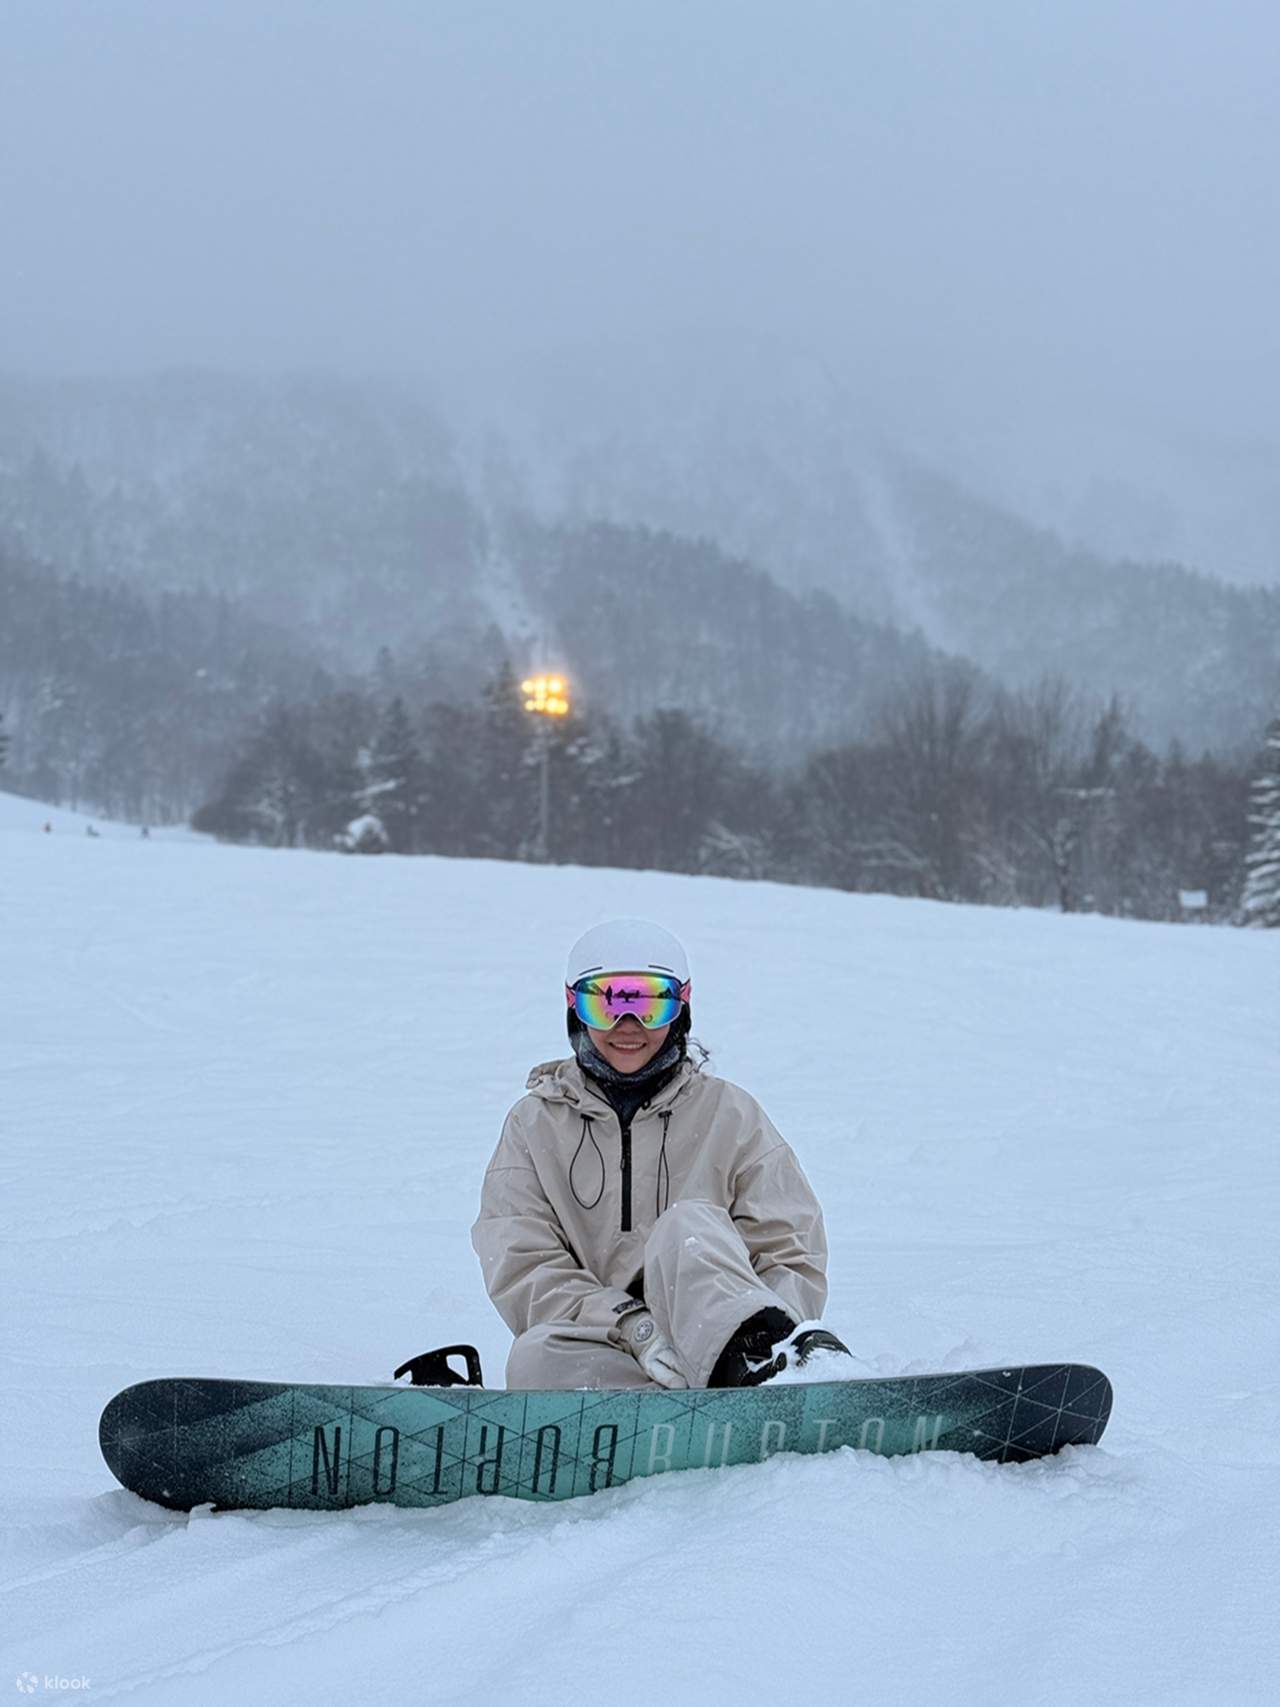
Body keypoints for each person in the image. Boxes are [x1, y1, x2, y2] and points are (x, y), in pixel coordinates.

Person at [472, 918, 852, 1391]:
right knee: (534, 1360)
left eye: (651, 1005)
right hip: (621, 1349)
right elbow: (522, 1263)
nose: (627, 1027)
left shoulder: (729, 1114)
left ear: (681, 1009)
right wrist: (635, 1327)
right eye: (605, 1003)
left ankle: (761, 1367)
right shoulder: (533, 1126)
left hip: (744, 1345)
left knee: (686, 1228)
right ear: (575, 1008)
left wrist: (769, 1327)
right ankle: (681, 1411)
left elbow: (788, 1248)